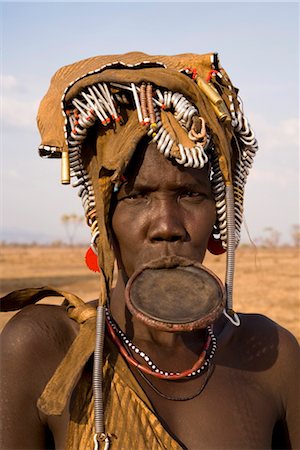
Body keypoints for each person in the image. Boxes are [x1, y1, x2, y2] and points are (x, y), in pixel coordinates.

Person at [1, 52, 299, 450]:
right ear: (101, 220)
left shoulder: (272, 356)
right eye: (137, 196)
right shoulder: (42, 347)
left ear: (220, 214)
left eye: (191, 194)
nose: (167, 227)